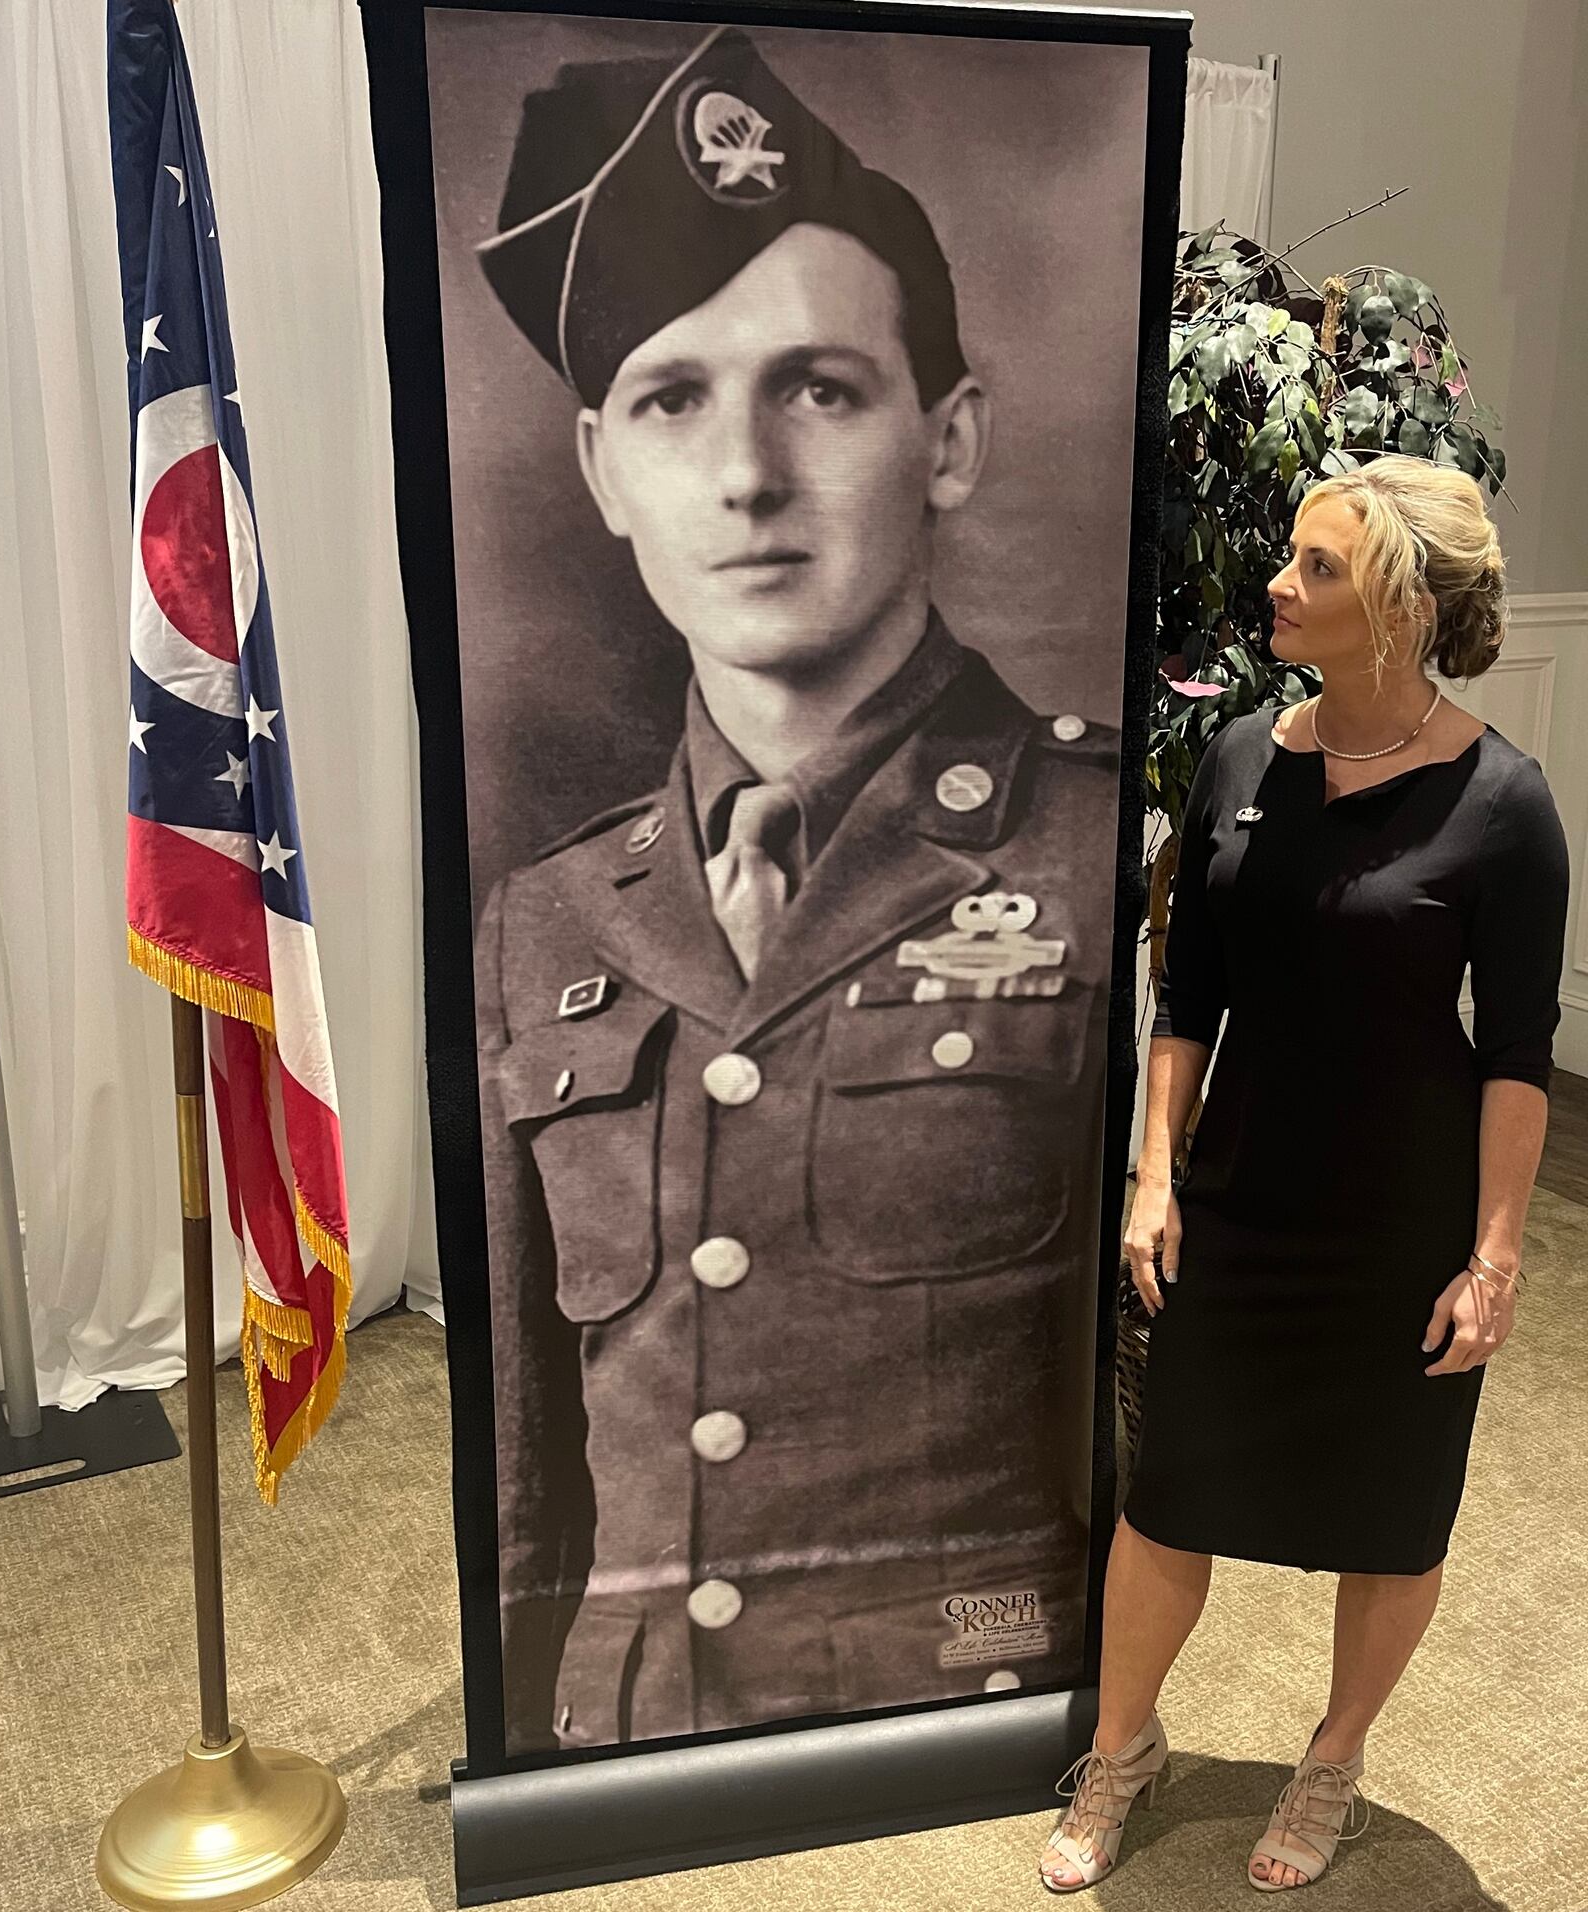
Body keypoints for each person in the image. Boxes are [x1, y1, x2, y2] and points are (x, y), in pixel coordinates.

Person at [471, 23, 1122, 1753]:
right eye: (674, 401)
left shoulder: (1095, 846)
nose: (747, 475)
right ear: (606, 470)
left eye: (820, 387)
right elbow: (533, 1425)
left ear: (950, 437)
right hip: (629, 1724)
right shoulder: (548, 917)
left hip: (972, 1704)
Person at [1037, 454, 1570, 1892]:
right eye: (1290, 556)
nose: (1279, 584)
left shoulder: (1503, 805)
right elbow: (1183, 1000)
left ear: (1397, 607)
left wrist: (1495, 1259)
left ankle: (1333, 1759)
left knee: (1392, 1516)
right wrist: (1155, 1175)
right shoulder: (1241, 762)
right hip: (1238, 1198)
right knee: (1170, 1502)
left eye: (1317, 568)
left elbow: (1519, 1052)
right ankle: (1125, 1745)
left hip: (1403, 1221)